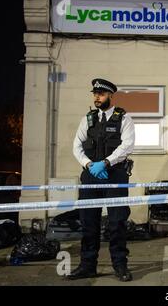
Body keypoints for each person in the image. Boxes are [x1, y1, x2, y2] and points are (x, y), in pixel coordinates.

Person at [68, 78, 135, 282]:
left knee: (116, 222)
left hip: (114, 174)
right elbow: (76, 146)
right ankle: (87, 266)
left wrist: (105, 163)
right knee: (89, 222)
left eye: (101, 94)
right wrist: (90, 165)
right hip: (91, 175)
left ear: (110, 96)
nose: (97, 97)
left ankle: (120, 266)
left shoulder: (123, 118)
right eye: (95, 94)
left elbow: (127, 146)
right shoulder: (87, 119)